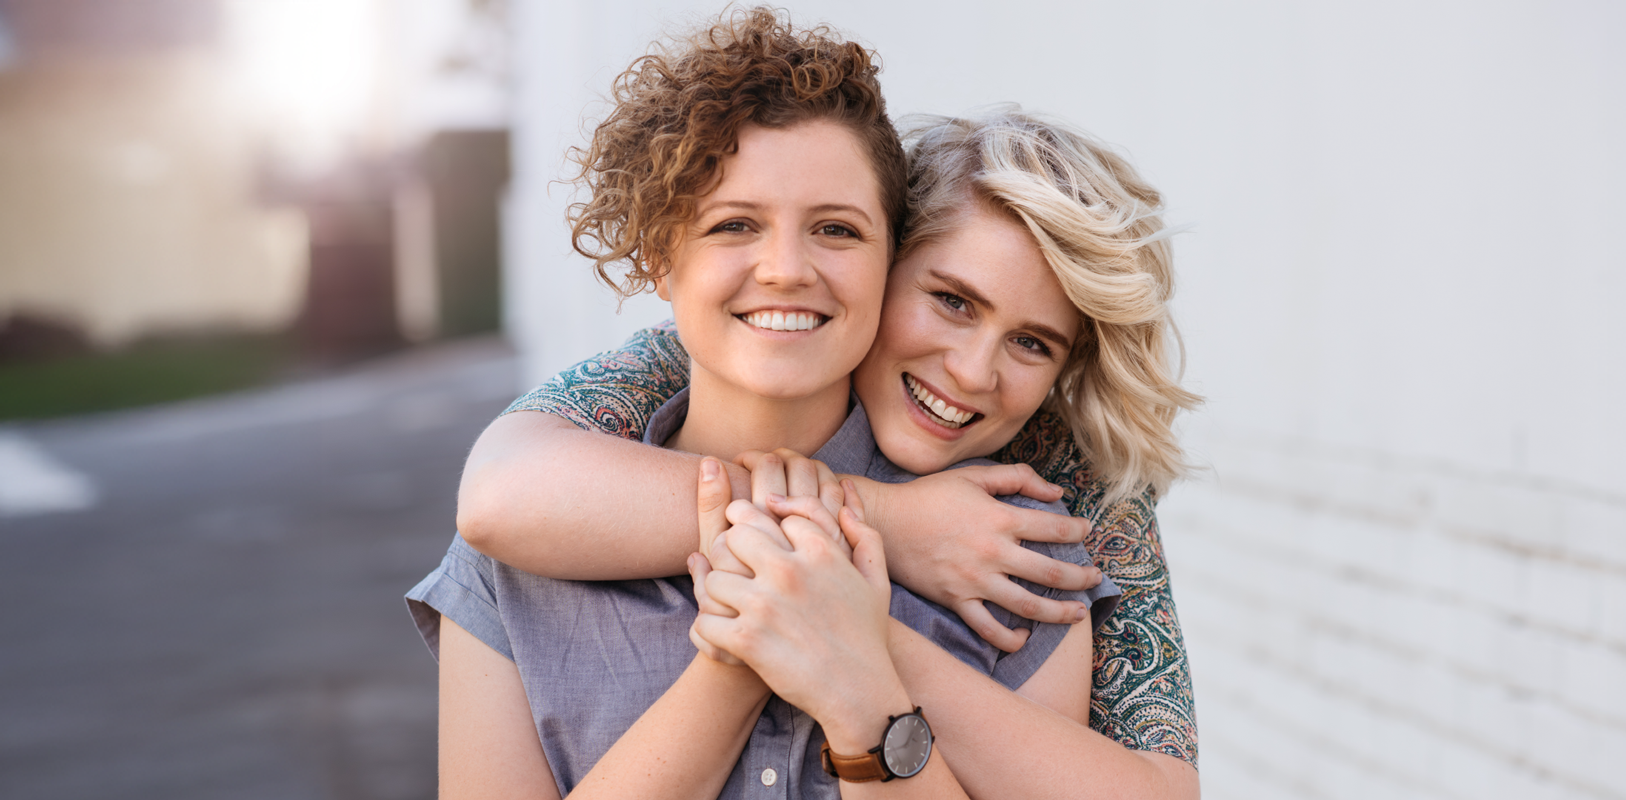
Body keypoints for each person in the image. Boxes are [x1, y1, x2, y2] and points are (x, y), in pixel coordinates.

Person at [451, 22, 1203, 800]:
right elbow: (498, 494)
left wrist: (855, 657)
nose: (784, 269)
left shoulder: (1029, 540)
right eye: (951, 301)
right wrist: (827, 554)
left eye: (835, 230)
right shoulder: (539, 530)